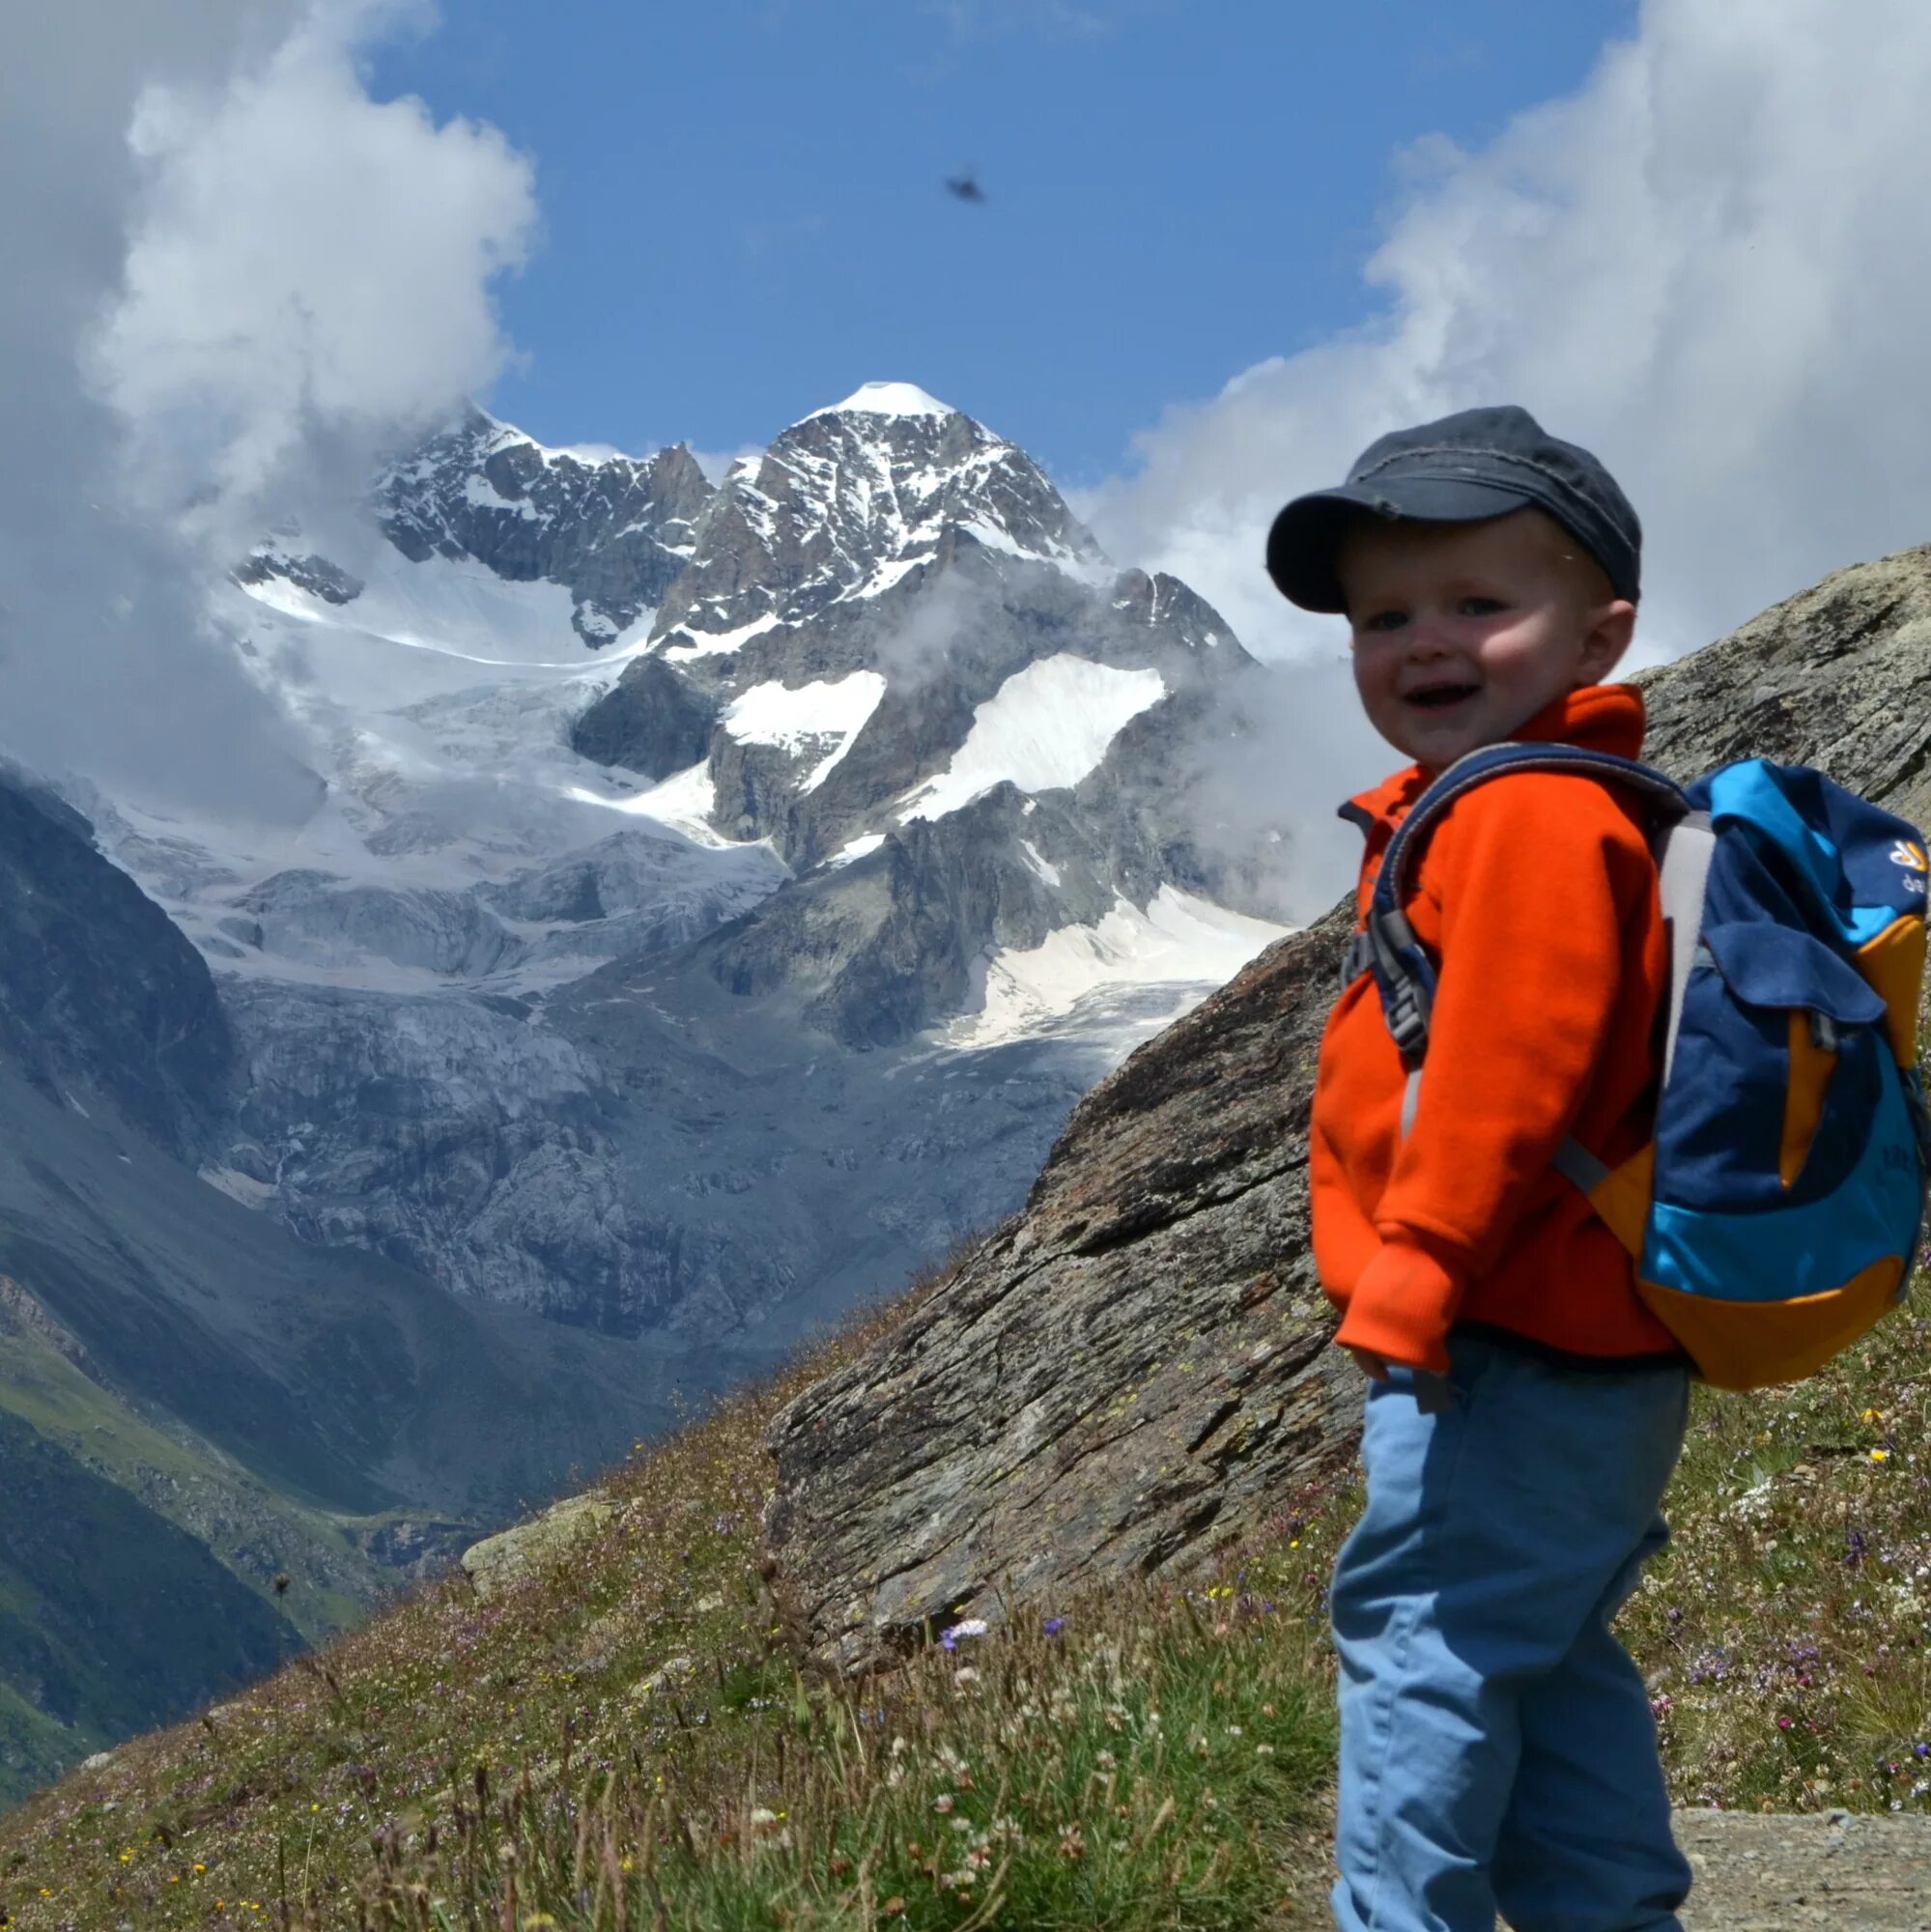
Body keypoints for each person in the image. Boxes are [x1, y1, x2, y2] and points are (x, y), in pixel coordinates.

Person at [1266, 406, 1694, 1932]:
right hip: (1583, 1334)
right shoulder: (1539, 801)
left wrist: (1424, 1259)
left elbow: (1515, 1061)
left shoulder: (1519, 813)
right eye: (1386, 616)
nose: (1424, 642)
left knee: (1423, 1645)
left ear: (1603, 628)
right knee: (1545, 1647)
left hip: (1498, 1336)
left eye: (1479, 605)